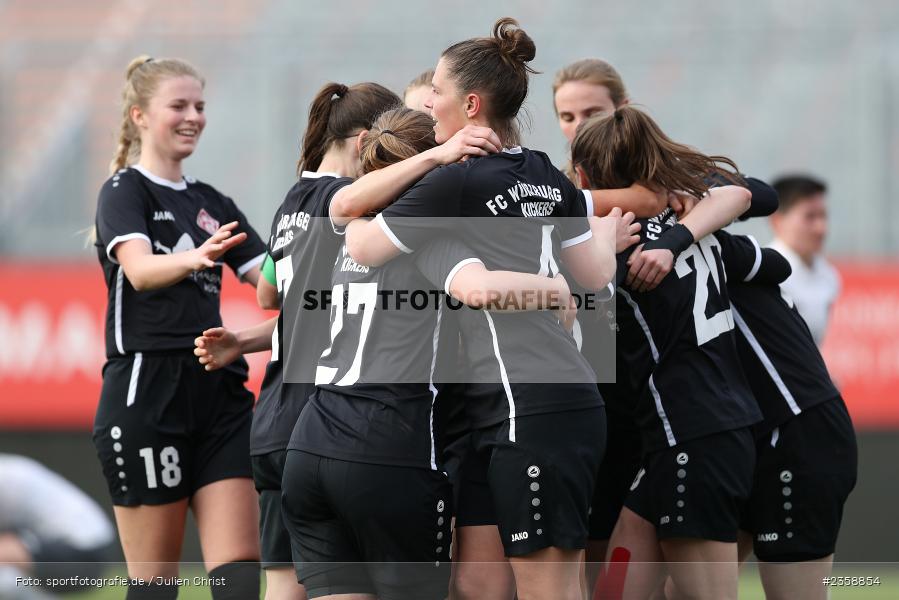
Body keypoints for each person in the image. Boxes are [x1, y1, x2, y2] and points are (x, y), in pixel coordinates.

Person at [194, 81, 502, 600]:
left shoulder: (293, 201)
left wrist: (246, 340)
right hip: (363, 428)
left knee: (288, 586)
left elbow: (272, 295)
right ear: (367, 144)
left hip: (286, 426)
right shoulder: (352, 210)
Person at [344, 18, 618, 600]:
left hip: (526, 401)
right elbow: (595, 274)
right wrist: (602, 239)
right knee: (529, 583)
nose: (428, 105)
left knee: (548, 591)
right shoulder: (545, 172)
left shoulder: (458, 180)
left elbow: (358, 238)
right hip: (563, 394)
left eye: (437, 92)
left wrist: (430, 161)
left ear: (471, 105)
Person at [91, 55, 267, 600]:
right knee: (156, 586)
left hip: (218, 391)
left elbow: (272, 284)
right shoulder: (125, 190)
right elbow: (140, 272)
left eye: (200, 106)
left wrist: (331, 242)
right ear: (140, 115)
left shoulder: (212, 202)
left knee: (240, 578)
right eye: (179, 106)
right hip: (147, 393)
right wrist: (198, 256)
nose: (193, 117)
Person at [571, 107, 762, 600]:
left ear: (584, 176)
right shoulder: (691, 217)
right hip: (690, 434)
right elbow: (744, 195)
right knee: (614, 590)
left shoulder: (617, 242)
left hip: (693, 435)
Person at [0, 455, 116, 599]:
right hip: (79, 546)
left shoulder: (8, 474)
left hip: (83, 552)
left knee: (5, 578)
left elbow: (9, 549)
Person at [769, 175, 840, 346]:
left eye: (823, 216)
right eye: (809, 217)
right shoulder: (764, 275)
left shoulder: (828, 275)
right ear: (778, 221)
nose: (821, 228)